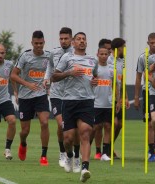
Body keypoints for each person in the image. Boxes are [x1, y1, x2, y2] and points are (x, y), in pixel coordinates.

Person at [51, 32, 98, 182]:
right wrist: (70, 72)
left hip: (87, 101)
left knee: (85, 132)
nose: (82, 41)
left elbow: (94, 76)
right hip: (69, 101)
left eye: (84, 39)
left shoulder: (92, 59)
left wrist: (94, 81)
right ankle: (70, 156)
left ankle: (84, 167)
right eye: (79, 39)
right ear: (73, 42)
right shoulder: (67, 58)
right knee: (68, 138)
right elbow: (54, 77)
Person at [10, 30, 53, 166]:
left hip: (41, 95)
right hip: (25, 97)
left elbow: (54, 72)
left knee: (45, 123)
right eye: (36, 43)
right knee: (25, 131)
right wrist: (28, 84)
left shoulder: (49, 57)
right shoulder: (25, 56)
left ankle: (44, 155)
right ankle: (23, 143)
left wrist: (49, 81)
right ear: (32, 43)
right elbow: (13, 75)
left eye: (41, 43)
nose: (39, 46)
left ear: (44, 42)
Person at [43, 27, 80, 169]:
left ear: (71, 39)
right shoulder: (54, 53)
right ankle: (62, 152)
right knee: (61, 124)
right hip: (56, 94)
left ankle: (76, 154)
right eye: (61, 38)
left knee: (74, 129)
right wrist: (46, 79)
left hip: (72, 94)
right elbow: (49, 68)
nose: (63, 41)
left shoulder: (76, 54)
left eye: (66, 38)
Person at [134, 32, 155, 161]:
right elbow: (138, 77)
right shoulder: (142, 58)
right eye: (152, 43)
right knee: (150, 123)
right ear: (148, 43)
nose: (154, 45)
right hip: (148, 92)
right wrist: (136, 97)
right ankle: (151, 151)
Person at [107, 38, 130, 158]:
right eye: (124, 46)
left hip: (119, 97)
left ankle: (110, 146)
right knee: (113, 123)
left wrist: (125, 97)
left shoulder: (122, 61)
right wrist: (117, 98)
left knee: (120, 124)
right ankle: (105, 148)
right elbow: (112, 82)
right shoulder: (109, 61)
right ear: (118, 48)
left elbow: (122, 81)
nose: (125, 49)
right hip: (110, 97)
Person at [92, 47, 115, 161]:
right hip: (96, 103)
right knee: (96, 127)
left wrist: (118, 99)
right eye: (101, 54)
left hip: (108, 103)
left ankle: (105, 153)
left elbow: (116, 85)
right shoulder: (94, 68)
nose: (104, 56)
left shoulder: (111, 69)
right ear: (97, 54)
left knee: (108, 126)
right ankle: (97, 150)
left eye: (106, 54)